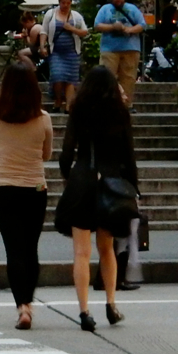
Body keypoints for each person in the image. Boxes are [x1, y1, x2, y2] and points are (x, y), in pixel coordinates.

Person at [58, 64, 139, 332]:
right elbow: (129, 155)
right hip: (111, 184)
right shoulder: (120, 113)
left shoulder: (78, 110)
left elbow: (66, 152)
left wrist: (69, 176)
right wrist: (133, 186)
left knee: (82, 252)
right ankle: (111, 304)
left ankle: (84, 311)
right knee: (107, 248)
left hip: (83, 180)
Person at [0, 58, 54, 330]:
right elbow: (46, 155)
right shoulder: (43, 119)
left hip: (2, 186)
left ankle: (21, 306)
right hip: (35, 187)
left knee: (13, 249)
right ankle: (29, 304)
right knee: (30, 247)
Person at [93, 0, 146, 103]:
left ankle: (126, 104)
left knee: (128, 78)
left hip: (130, 48)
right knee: (106, 78)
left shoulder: (132, 9)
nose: (118, 0)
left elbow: (142, 25)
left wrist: (129, 30)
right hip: (109, 49)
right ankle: (107, 103)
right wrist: (112, 27)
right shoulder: (105, 9)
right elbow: (97, 25)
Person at [42, 0, 88, 112]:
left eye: (68, 3)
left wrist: (71, 28)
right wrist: (42, 46)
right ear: (59, 2)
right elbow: (44, 31)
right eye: (63, 3)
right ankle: (58, 100)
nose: (65, 5)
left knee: (70, 79)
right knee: (57, 75)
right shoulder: (50, 14)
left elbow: (84, 32)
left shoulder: (76, 16)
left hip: (72, 52)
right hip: (56, 52)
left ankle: (68, 105)